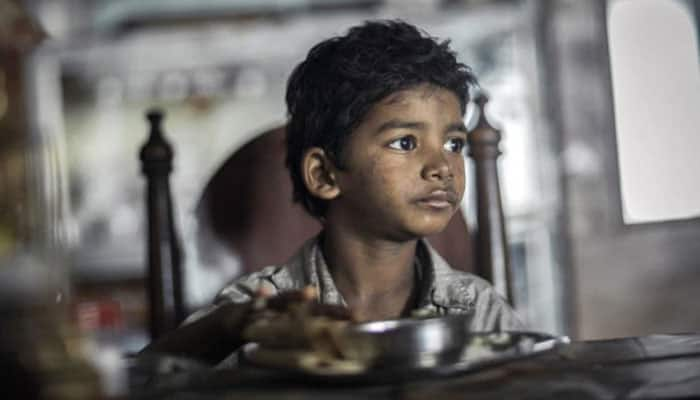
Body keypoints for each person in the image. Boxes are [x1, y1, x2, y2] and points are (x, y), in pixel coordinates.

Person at [143, 19, 522, 364]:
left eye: (454, 144)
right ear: (324, 175)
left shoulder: (477, 307)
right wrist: (227, 327)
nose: (442, 167)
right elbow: (141, 378)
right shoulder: (260, 311)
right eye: (405, 143)